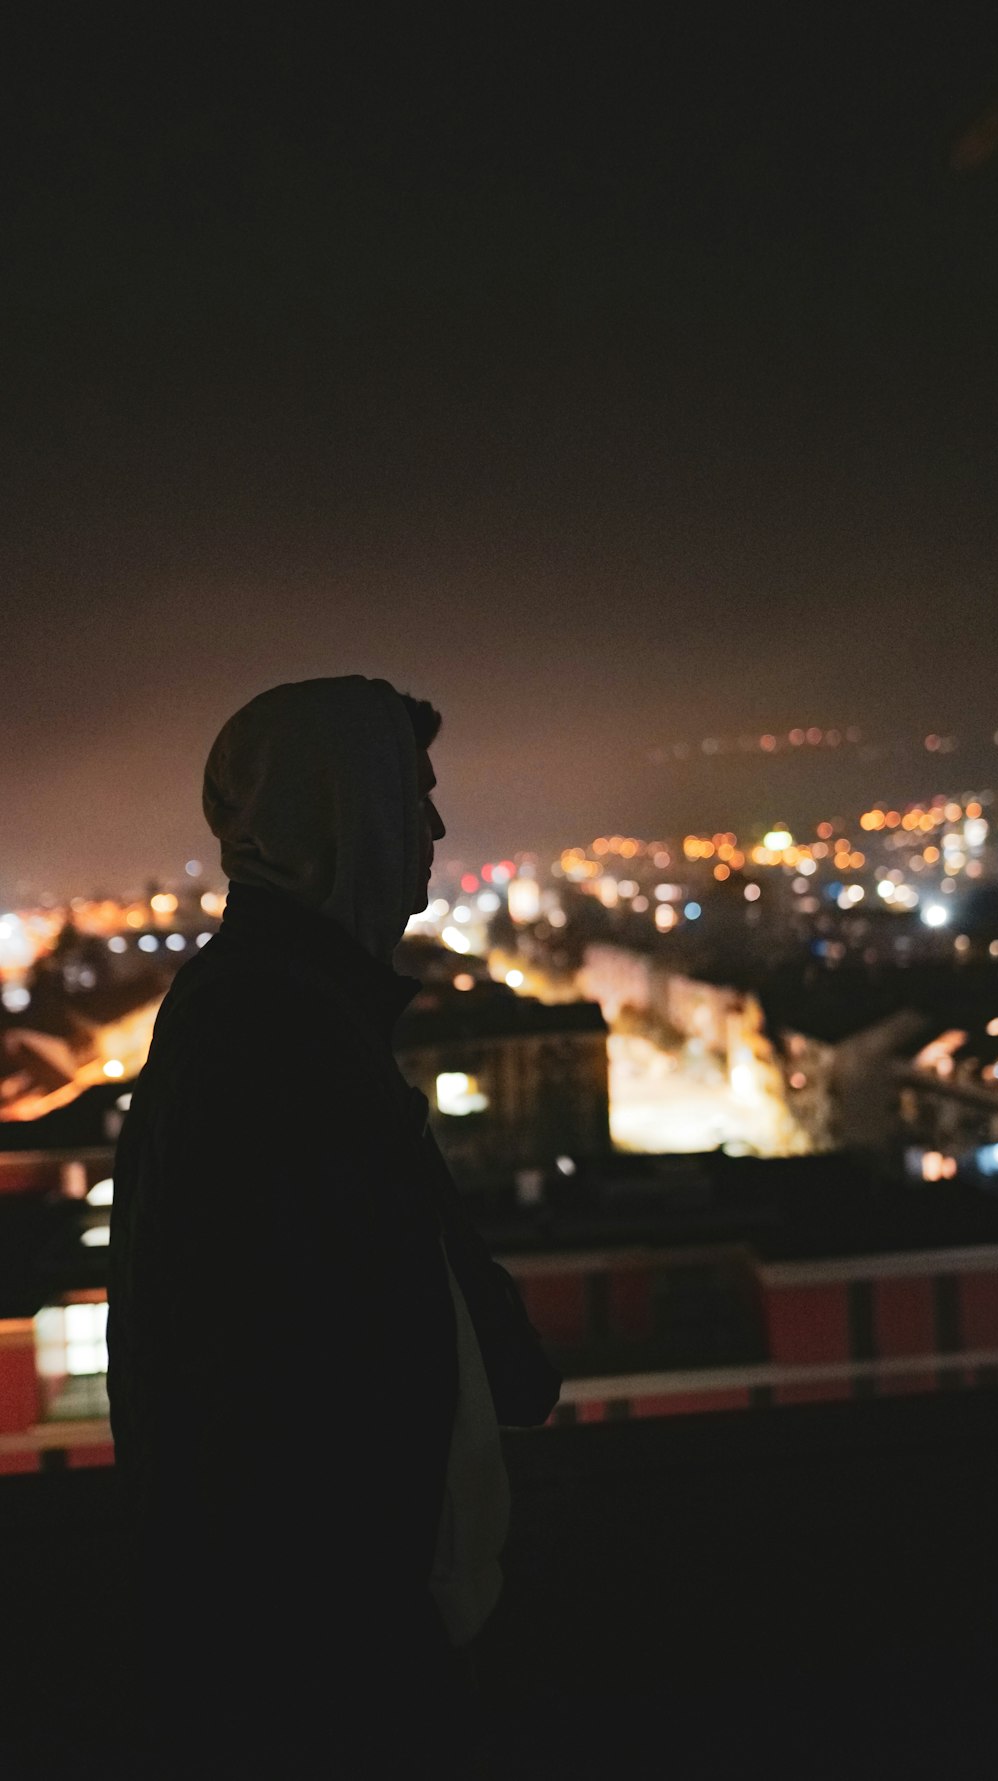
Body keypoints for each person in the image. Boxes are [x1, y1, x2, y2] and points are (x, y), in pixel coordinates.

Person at [106, 675, 562, 1779]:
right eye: (415, 797)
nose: (438, 829)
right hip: (341, 1665)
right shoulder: (273, 1032)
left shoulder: (286, 1006)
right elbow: (290, 1386)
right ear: (341, 814)